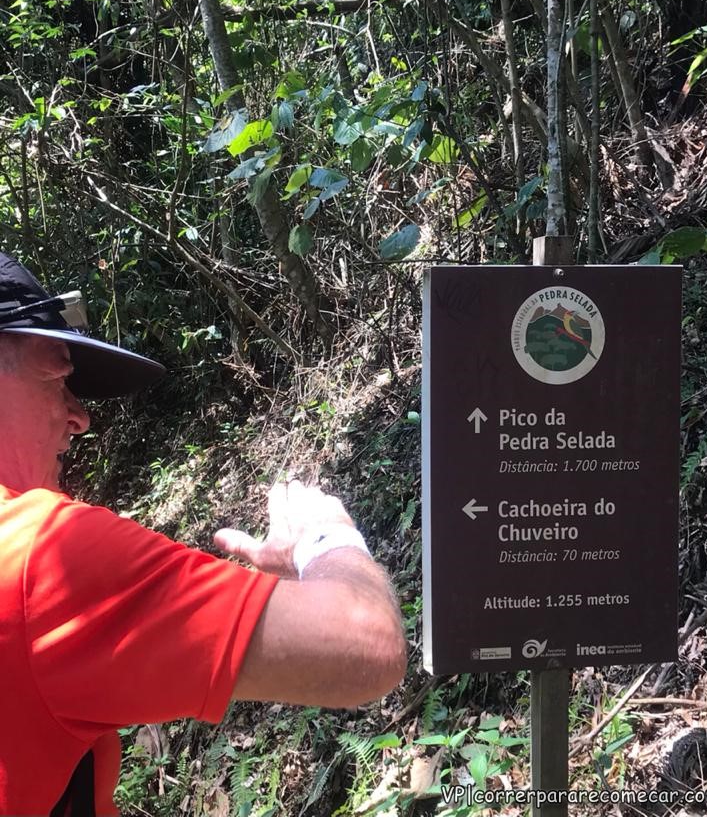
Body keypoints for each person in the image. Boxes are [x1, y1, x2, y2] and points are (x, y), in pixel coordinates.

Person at [0, 252, 406, 816]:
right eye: (57, 373)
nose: (80, 416)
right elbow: (366, 643)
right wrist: (328, 537)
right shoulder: (37, 557)